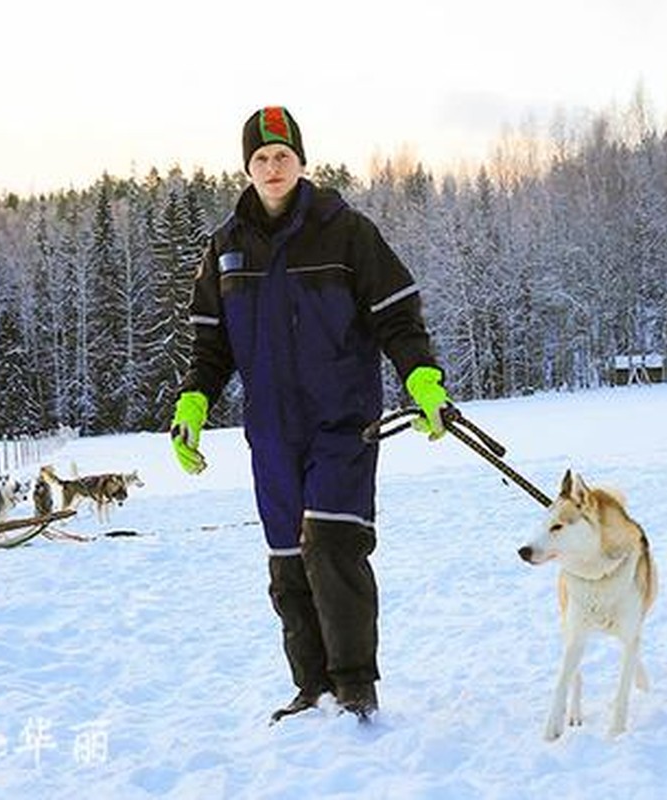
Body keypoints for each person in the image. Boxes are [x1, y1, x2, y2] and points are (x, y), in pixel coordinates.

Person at [168, 106, 449, 723]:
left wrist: (422, 379)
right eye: (261, 158)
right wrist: (193, 401)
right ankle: (312, 687)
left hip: (342, 421)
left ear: (301, 162)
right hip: (270, 432)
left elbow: (398, 317)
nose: (272, 168)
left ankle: (354, 687)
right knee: (286, 558)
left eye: (283, 156)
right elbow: (210, 346)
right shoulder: (225, 248)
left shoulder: (346, 232)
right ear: (246, 167)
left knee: (331, 542)